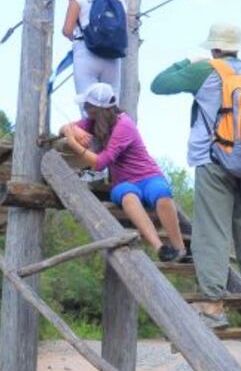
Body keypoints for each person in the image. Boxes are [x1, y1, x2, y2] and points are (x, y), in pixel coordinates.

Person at [150, 23, 241, 329]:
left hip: (214, 158)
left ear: (214, 47)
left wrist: (187, 62)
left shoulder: (206, 70)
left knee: (212, 231)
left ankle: (213, 307)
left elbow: (159, 84)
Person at [61, 82, 186, 261]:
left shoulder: (124, 124)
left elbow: (101, 163)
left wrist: (74, 144)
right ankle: (160, 248)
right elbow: (64, 128)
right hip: (124, 182)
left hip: (148, 176)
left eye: (87, 107)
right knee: (128, 198)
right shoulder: (93, 121)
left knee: (162, 194)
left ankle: (180, 249)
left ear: (96, 109)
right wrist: (69, 129)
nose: (85, 110)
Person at [62, 0, 125, 98]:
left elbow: (67, 30)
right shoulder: (119, 1)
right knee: (111, 107)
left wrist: (82, 41)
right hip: (113, 56)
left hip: (86, 51)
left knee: (88, 105)